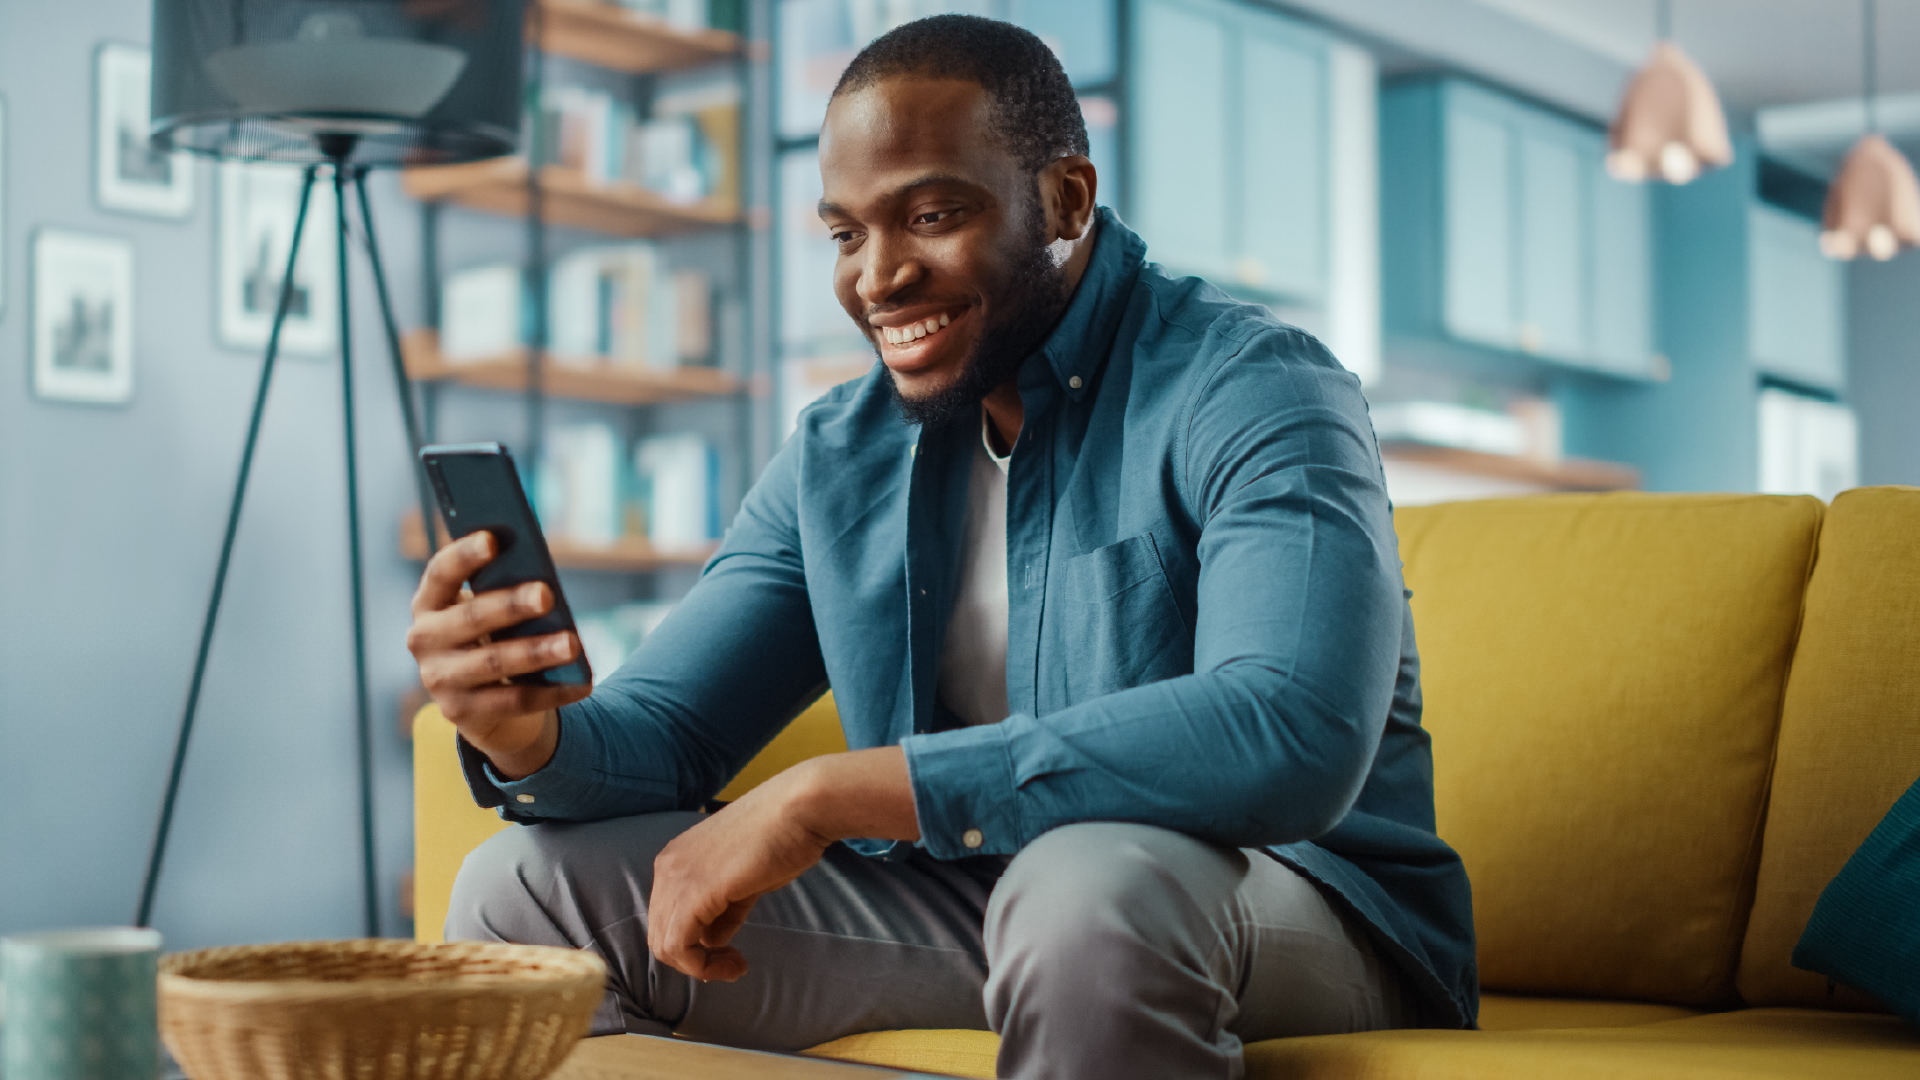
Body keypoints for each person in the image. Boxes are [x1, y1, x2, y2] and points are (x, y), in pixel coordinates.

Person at [406, 14, 1476, 1077]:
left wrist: (837, 793)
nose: (877, 277)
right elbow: (674, 733)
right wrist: (528, 736)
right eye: (846, 232)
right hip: (991, 900)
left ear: (1064, 198)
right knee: (521, 889)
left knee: (1086, 891)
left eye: (930, 214)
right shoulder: (841, 449)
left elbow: (1289, 727)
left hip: (1302, 904)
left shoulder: (1256, 387)